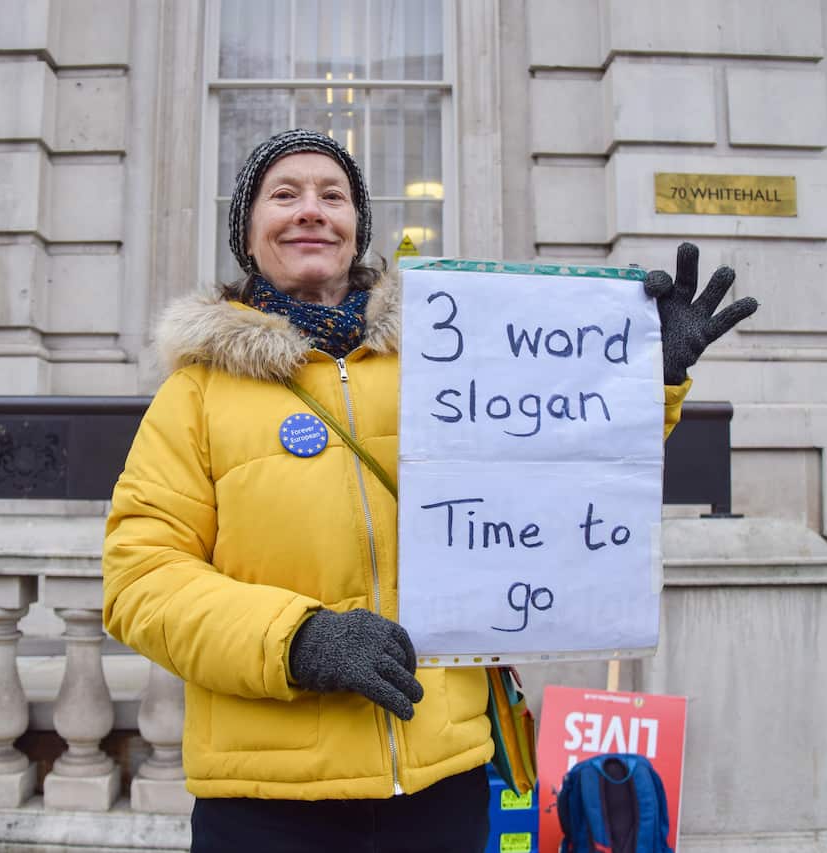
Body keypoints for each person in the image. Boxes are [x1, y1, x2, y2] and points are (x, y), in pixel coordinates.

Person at [102, 128, 757, 853]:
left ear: (358, 229)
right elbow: (141, 580)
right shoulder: (196, 393)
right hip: (268, 801)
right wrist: (296, 639)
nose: (311, 210)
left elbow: (561, 467)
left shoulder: (449, 360)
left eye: (334, 196)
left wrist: (643, 380)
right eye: (283, 195)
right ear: (248, 235)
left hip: (443, 786)